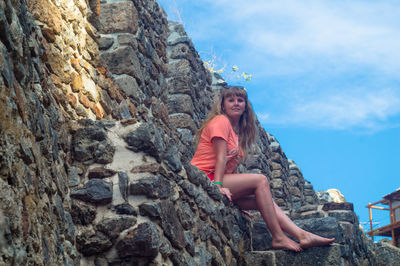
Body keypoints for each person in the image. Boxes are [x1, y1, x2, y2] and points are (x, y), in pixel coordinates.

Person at [190, 86, 335, 252]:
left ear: (246, 105)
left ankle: (302, 235)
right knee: (261, 180)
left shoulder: (236, 135)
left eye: (240, 100)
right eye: (231, 100)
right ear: (223, 105)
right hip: (205, 176)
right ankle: (278, 237)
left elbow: (230, 171)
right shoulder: (220, 121)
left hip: (219, 179)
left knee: (264, 199)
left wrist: (238, 202)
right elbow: (221, 157)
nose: (236, 103)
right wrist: (218, 186)